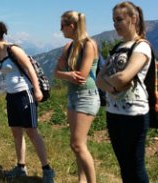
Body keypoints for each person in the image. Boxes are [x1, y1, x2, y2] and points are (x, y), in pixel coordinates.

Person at [0, 22, 54, 182]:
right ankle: (21, 167)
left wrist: (37, 90)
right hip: (12, 97)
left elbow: (30, 68)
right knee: (16, 132)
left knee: (31, 131)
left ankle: (47, 169)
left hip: (25, 94)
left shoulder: (13, 50)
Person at [96, 2, 150, 182]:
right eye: (114, 21)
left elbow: (123, 77)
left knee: (136, 166)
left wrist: (110, 82)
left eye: (119, 19)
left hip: (134, 114)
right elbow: (98, 79)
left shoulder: (141, 47)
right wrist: (113, 86)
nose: (115, 24)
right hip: (113, 112)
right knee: (124, 165)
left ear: (133, 19)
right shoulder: (118, 47)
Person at [55, 10, 100, 183]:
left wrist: (65, 73)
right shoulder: (68, 46)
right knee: (78, 145)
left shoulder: (89, 45)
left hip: (86, 97)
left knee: (77, 144)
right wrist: (68, 75)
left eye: (62, 26)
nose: (60, 29)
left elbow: (81, 76)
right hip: (73, 96)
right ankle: (82, 180)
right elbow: (56, 73)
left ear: (72, 26)